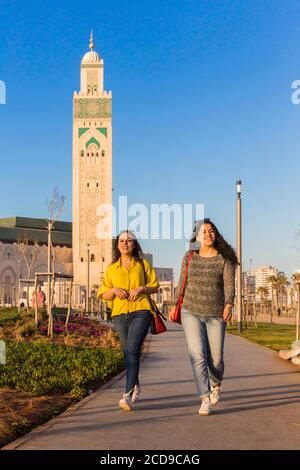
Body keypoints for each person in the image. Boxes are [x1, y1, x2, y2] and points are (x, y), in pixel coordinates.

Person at [170, 218, 238, 416]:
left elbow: (229, 285)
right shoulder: (189, 256)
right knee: (198, 356)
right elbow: (183, 281)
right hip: (190, 311)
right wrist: (174, 303)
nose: (208, 234)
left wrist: (229, 304)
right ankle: (204, 399)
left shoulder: (224, 258)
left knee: (216, 359)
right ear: (197, 236)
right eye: (204, 231)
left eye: (211, 231)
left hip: (216, 313)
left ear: (215, 234)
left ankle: (216, 383)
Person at [97, 230, 159, 411]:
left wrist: (141, 288)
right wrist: (115, 290)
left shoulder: (142, 264)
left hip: (141, 311)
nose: (125, 243)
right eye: (122, 241)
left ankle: (127, 394)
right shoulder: (111, 269)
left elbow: (154, 286)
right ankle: (136, 385)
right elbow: (103, 293)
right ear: (117, 245)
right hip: (119, 314)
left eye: (129, 240)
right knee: (128, 353)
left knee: (132, 349)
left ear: (134, 244)